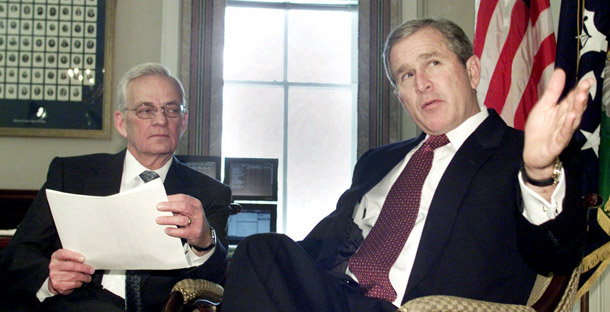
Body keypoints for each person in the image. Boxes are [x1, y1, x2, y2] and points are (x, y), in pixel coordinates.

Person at [221, 18, 590, 312]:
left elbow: (556, 254)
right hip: (333, 296)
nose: (422, 84)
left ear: (472, 71)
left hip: (415, 306)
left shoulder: (521, 154)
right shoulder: (375, 162)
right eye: (406, 75)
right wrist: (210, 245)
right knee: (262, 251)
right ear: (400, 96)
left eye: (433, 62)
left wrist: (540, 174)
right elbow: (315, 247)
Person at [0, 63, 232, 312]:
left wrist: (205, 242)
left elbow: (215, 281)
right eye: (146, 110)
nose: (161, 120)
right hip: (68, 304)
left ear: (183, 121)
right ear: (121, 122)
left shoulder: (209, 193)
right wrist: (50, 278)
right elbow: (18, 254)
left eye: (172, 110)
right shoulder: (71, 175)